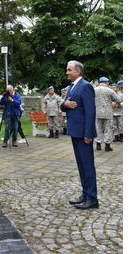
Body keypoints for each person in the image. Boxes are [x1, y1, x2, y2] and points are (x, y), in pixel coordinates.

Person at [61, 60, 99, 210]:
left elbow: (91, 112)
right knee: (81, 166)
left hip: (84, 134)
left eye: (69, 70)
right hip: (75, 132)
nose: (67, 72)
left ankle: (92, 198)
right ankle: (85, 194)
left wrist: (89, 133)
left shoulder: (85, 87)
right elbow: (62, 105)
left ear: (78, 71)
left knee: (88, 166)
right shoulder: (72, 87)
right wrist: (66, 105)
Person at [94, 77, 122, 152]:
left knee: (98, 129)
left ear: (100, 82)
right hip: (108, 113)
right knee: (108, 129)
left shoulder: (94, 90)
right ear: (106, 82)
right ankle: (107, 146)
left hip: (97, 112)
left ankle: (98, 145)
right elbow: (118, 99)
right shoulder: (109, 90)